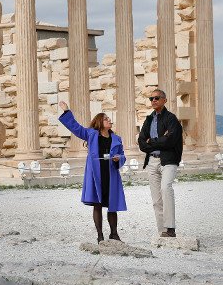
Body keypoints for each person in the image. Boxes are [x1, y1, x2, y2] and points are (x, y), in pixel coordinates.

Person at [58, 101, 127, 243]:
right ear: (99, 122)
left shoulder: (117, 139)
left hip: (111, 174)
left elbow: (123, 156)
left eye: (109, 118)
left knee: (112, 205)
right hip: (96, 174)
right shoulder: (91, 134)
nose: (109, 120)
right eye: (106, 118)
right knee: (97, 204)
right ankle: (100, 235)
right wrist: (66, 112)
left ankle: (114, 234)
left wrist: (117, 159)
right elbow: (76, 128)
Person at [137, 89, 183, 238]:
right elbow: (142, 143)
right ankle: (162, 230)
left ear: (164, 100)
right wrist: (158, 142)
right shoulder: (148, 120)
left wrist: (153, 141)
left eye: (157, 98)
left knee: (166, 188)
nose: (153, 101)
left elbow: (171, 140)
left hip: (168, 160)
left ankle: (170, 228)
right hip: (151, 161)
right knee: (156, 199)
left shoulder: (171, 119)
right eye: (151, 98)